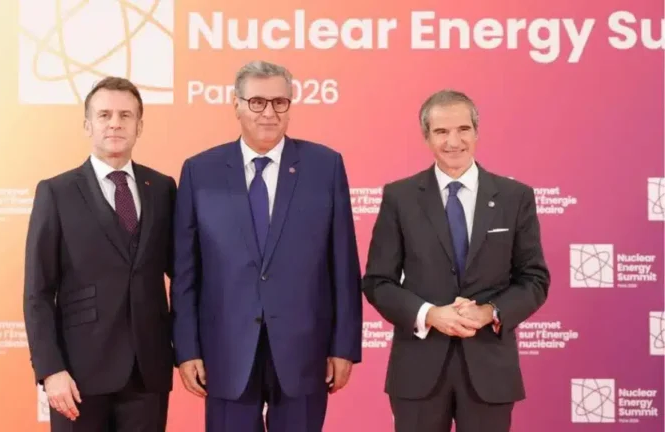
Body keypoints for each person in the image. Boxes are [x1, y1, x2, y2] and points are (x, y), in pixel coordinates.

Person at [170, 60, 362, 432]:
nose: (269, 113)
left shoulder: (325, 166)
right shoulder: (200, 171)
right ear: (236, 105)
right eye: (257, 102)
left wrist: (343, 346)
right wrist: (187, 349)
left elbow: (343, 264)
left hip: (305, 352)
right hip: (224, 353)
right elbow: (185, 273)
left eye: (279, 102)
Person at [362, 89, 550, 432]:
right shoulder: (400, 197)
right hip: (417, 371)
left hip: (490, 370)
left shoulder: (515, 197)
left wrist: (489, 312)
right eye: (441, 131)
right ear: (426, 137)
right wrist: (430, 314)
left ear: (477, 132)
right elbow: (378, 282)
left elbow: (534, 279)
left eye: (463, 129)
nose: (453, 141)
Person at [23, 77, 175, 432]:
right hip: (77, 376)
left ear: (139, 126)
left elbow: (183, 275)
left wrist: (186, 349)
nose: (115, 123)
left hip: (148, 373)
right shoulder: (56, 192)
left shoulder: (162, 188)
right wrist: (50, 369)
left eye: (126, 115)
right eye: (104, 115)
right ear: (87, 125)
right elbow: (38, 292)